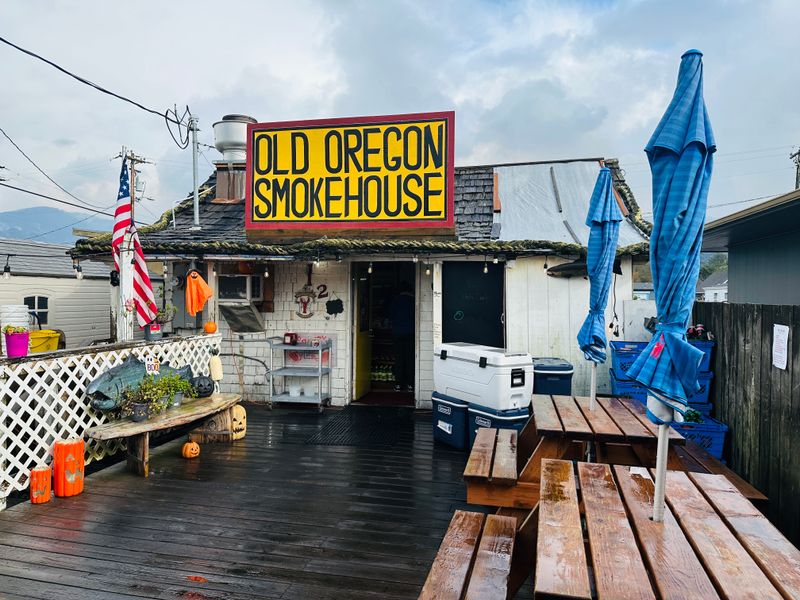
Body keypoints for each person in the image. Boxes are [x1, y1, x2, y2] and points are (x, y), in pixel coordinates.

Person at [389, 281, 414, 392]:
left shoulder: (396, 300)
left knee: (399, 358)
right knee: (410, 358)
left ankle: (398, 384)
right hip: (411, 332)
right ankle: (410, 384)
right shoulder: (413, 300)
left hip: (397, 332)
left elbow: (390, 315)